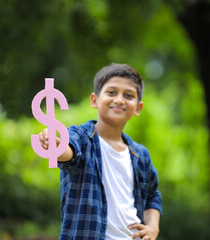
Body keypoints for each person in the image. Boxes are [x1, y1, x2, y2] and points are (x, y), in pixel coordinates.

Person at [38, 63, 162, 240]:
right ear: (94, 100)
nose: (119, 100)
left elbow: (152, 195)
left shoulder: (140, 155)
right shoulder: (81, 137)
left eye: (128, 95)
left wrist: (152, 227)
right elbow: (69, 152)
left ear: (138, 108)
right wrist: (56, 145)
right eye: (111, 92)